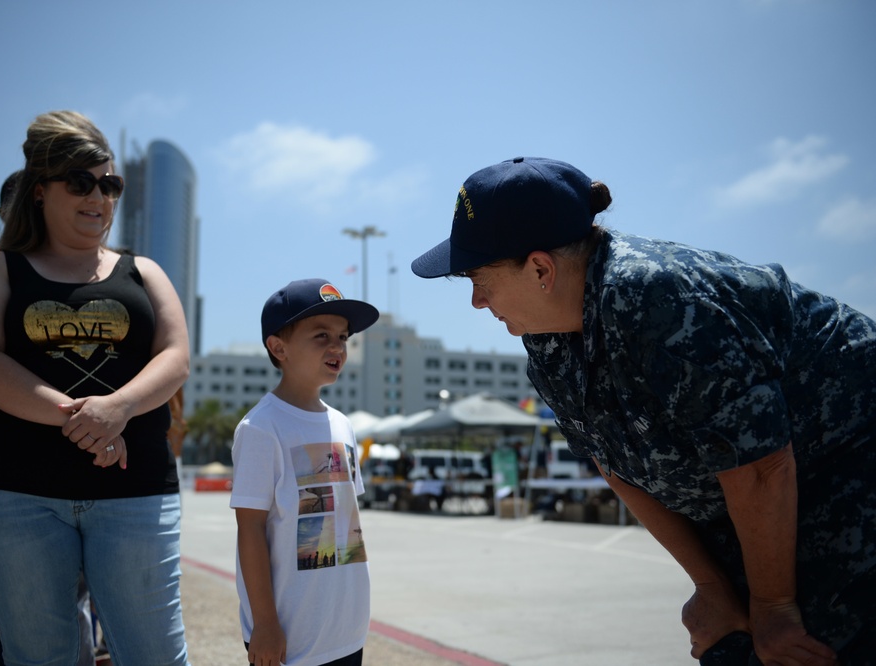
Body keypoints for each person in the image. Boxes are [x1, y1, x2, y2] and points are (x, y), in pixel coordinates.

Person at [411, 156, 875, 665]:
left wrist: (773, 605)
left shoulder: (658, 298)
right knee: (727, 640)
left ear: (541, 268)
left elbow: (760, 464)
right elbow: (614, 462)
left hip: (846, 470)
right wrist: (712, 586)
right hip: (757, 508)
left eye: (480, 278)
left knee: (792, 647)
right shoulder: (548, 344)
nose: (477, 301)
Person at [0, 110, 191, 666]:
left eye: (110, 184)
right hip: (13, 496)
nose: (100, 198)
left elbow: (176, 358)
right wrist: (85, 421)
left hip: (134, 497)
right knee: (40, 656)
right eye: (81, 183)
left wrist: (119, 408)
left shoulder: (144, 271)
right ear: (40, 193)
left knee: (155, 654)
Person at [231, 278, 379, 666]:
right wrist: (264, 623)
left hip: (344, 629)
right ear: (278, 348)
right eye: (321, 335)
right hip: (290, 634)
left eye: (343, 337)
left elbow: (346, 527)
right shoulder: (261, 428)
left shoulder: (343, 425)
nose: (337, 347)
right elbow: (250, 530)